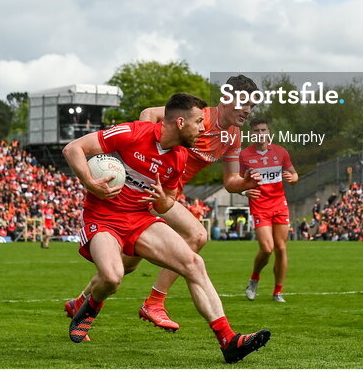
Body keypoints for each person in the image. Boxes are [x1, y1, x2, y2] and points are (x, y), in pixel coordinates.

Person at [61, 92, 270, 363]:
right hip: (103, 218)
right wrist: (90, 181)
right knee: (112, 277)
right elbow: (72, 148)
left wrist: (162, 200)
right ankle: (90, 306)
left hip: (140, 219)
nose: (202, 128)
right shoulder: (132, 133)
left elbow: (167, 203)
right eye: (197, 122)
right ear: (181, 122)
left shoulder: (179, 157)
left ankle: (228, 340)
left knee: (194, 263)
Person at [240, 118, 298, 303]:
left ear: (269, 133)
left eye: (263, 130)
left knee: (281, 247)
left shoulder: (280, 152)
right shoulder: (244, 156)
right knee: (267, 248)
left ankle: (278, 292)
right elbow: (235, 181)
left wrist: (292, 178)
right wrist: (244, 191)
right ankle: (254, 279)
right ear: (251, 134)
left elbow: (295, 174)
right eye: (256, 131)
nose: (260, 134)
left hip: (279, 204)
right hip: (259, 205)